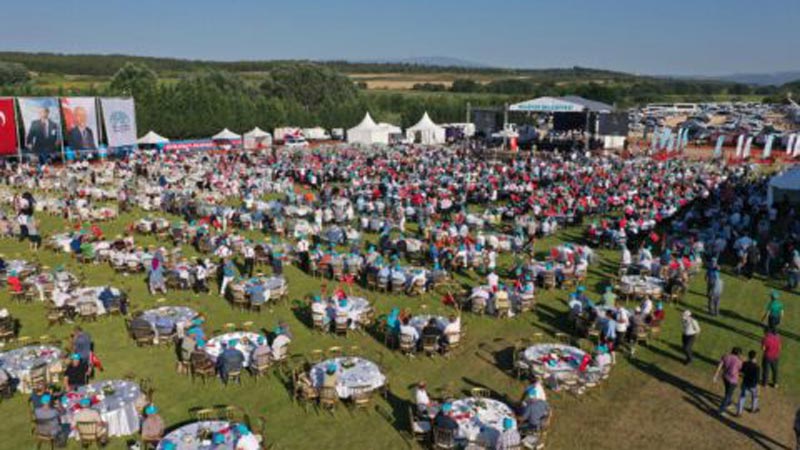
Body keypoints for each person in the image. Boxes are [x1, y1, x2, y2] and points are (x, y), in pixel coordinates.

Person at [713, 347, 742, 415]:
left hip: (725, 377)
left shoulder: (725, 356)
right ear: (738, 353)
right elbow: (740, 370)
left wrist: (715, 375)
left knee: (727, 391)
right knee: (728, 395)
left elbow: (719, 366)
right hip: (733, 380)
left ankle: (728, 403)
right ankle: (721, 410)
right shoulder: (739, 361)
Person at [736, 350, 760, 416]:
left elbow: (741, 371)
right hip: (753, 385)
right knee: (755, 396)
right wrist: (757, 386)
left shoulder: (745, 363)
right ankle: (753, 409)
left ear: (749, 356)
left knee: (742, 397)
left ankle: (739, 412)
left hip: (745, 383)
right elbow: (757, 378)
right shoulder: (757, 367)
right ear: (755, 357)